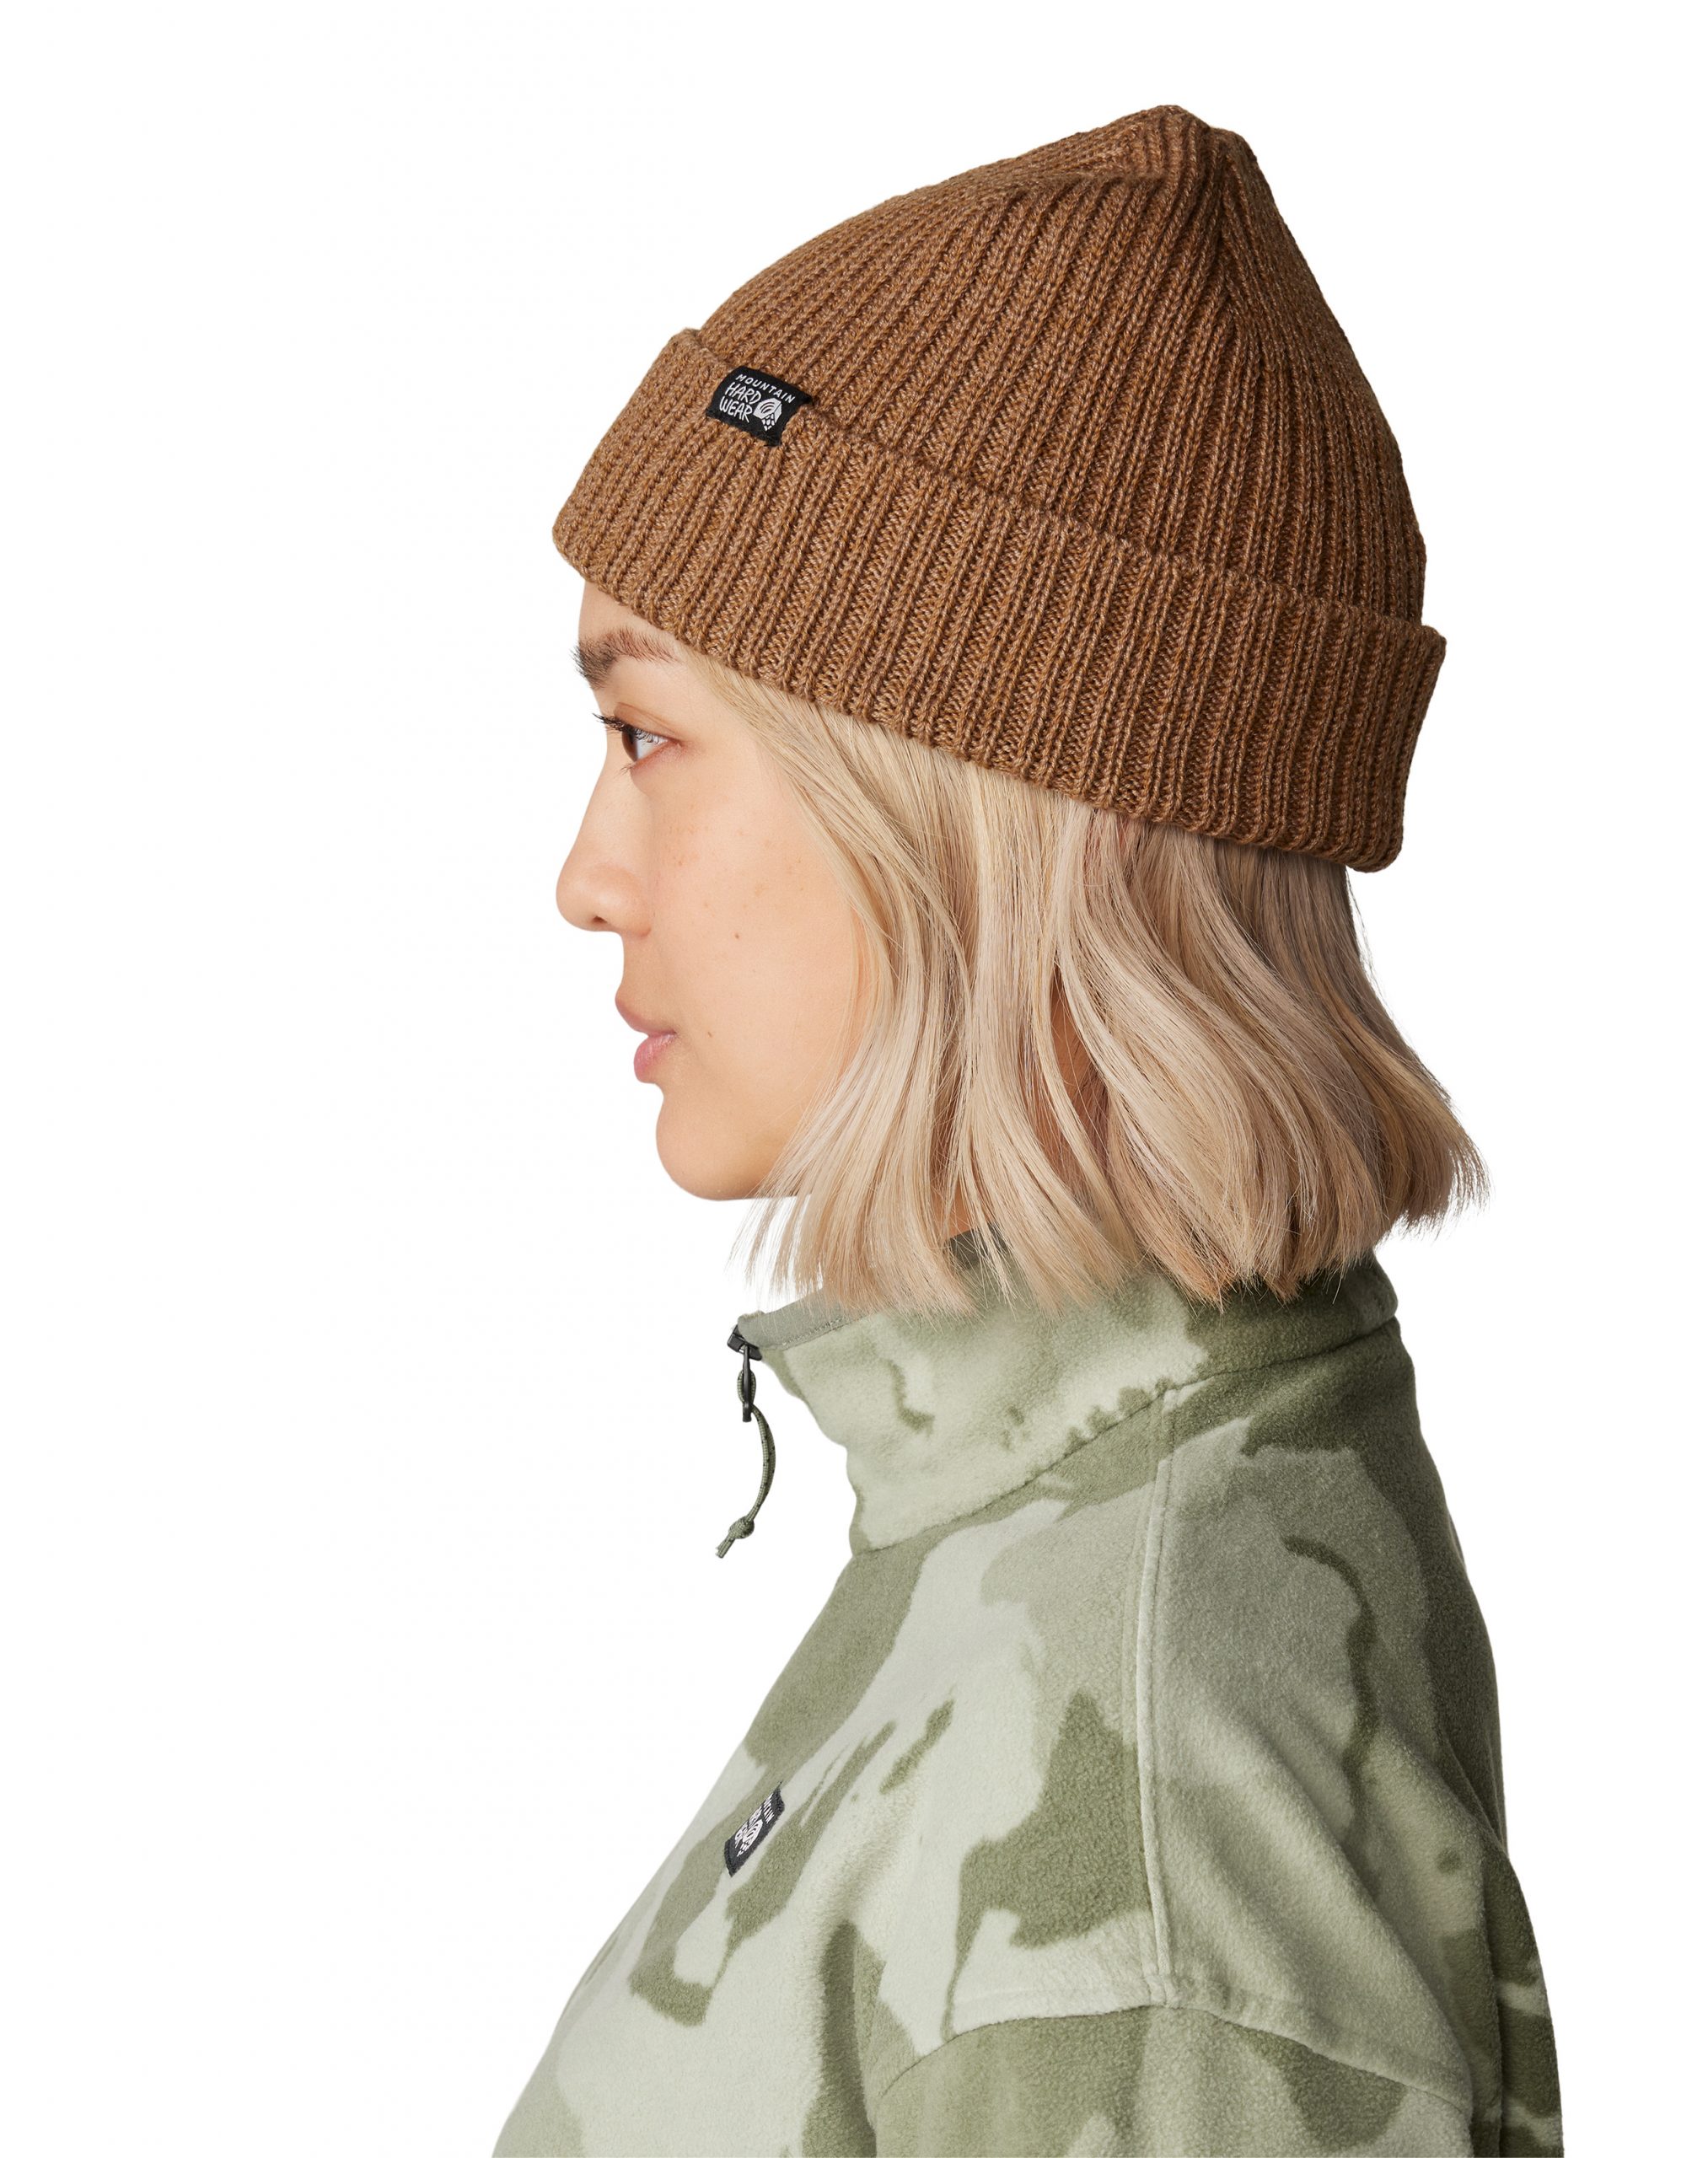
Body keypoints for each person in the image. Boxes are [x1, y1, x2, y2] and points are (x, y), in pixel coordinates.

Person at [494, 102, 1562, 2157]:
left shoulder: (1148, 1868)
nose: (585, 875)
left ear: (973, 807)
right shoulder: (1038, 1512)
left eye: (645, 733)